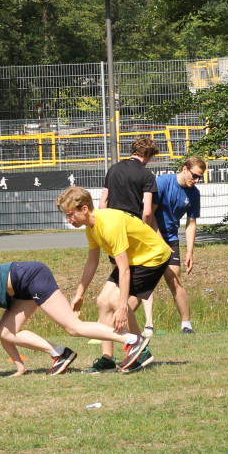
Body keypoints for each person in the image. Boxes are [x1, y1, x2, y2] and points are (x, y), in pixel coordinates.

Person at [0, 261, 149, 385]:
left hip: (31, 277)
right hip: (23, 288)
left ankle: (131, 340)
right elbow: (3, 334)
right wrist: (19, 366)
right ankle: (60, 354)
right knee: (8, 331)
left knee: (73, 327)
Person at [57, 185, 169, 372]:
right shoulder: (91, 227)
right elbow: (92, 262)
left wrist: (123, 308)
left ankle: (141, 350)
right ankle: (107, 359)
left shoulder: (108, 225)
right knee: (102, 301)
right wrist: (79, 293)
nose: (68, 219)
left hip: (153, 257)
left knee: (117, 301)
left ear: (84, 209)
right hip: (135, 258)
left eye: (70, 214)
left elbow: (124, 270)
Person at [101, 136, 161, 335]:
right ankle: (132, 328)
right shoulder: (146, 175)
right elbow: (146, 211)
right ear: (148, 155)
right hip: (133, 232)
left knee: (117, 279)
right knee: (134, 285)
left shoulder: (114, 169)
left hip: (112, 230)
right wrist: (145, 231)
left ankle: (108, 328)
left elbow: (102, 203)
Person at [152, 156, 205, 334]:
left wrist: (190, 252)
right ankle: (125, 326)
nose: (196, 180)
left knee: (174, 279)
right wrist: (159, 242)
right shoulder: (162, 183)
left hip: (171, 239)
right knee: (143, 283)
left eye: (200, 177)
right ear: (184, 169)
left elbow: (191, 224)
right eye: (195, 175)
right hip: (150, 236)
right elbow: (148, 216)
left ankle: (186, 326)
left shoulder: (194, 193)